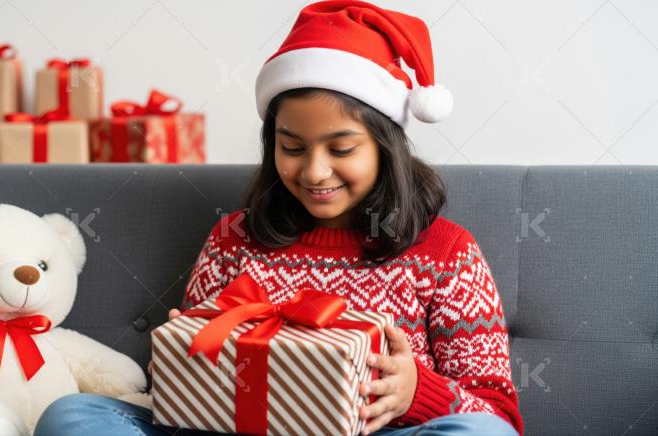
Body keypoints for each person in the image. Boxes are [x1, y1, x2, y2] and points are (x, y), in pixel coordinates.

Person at [35, 1, 523, 435]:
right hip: (237, 430)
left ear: (386, 146)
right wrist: (191, 350)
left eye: (341, 148)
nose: (314, 171)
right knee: (72, 416)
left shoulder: (446, 252)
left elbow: (497, 413)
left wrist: (417, 392)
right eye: (292, 147)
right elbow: (182, 395)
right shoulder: (234, 239)